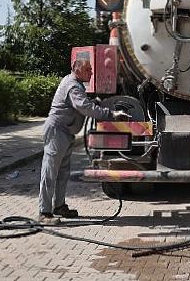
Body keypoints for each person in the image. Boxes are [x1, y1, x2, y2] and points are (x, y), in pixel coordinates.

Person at [38, 59, 128, 224]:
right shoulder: (73, 85)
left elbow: (82, 105)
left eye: (91, 69)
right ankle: (44, 213)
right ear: (76, 69)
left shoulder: (75, 84)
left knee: (62, 172)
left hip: (65, 132)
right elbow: (83, 107)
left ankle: (59, 206)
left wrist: (95, 103)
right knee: (50, 172)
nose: (91, 72)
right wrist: (110, 114)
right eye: (88, 69)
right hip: (58, 131)